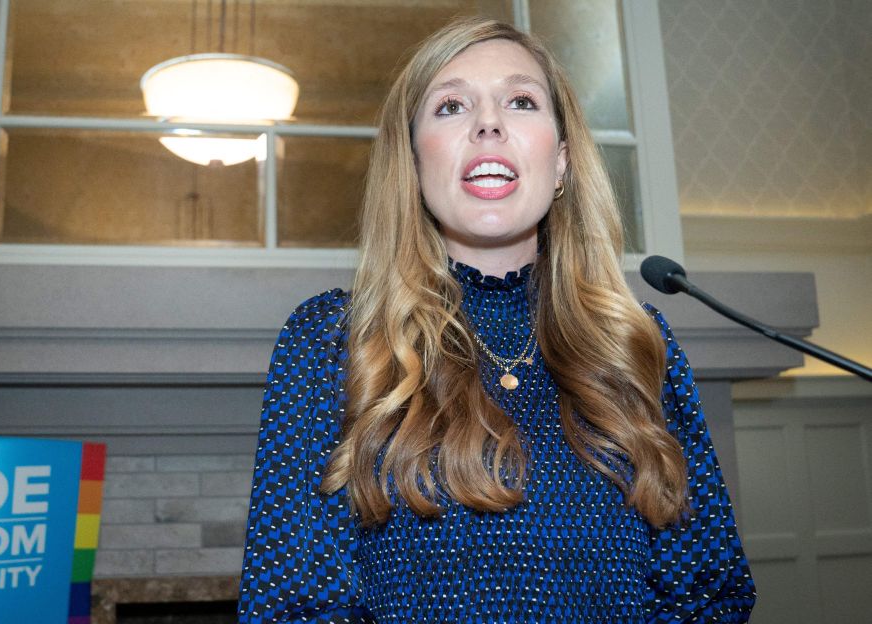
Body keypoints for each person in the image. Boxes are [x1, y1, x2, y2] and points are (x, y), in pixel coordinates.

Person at [239, 16, 755, 624]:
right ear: (411, 163)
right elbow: (291, 607)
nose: (489, 122)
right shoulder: (334, 340)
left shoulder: (636, 341)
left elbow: (710, 592)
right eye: (452, 105)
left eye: (521, 100)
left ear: (561, 162)